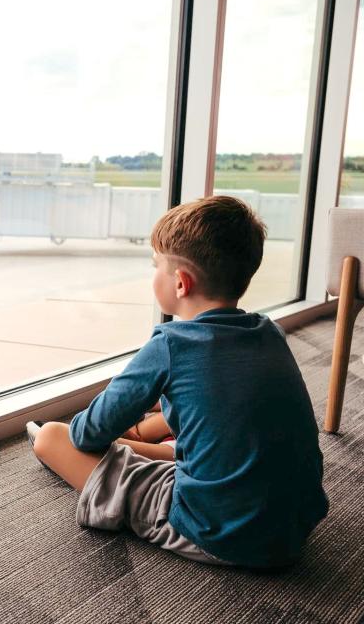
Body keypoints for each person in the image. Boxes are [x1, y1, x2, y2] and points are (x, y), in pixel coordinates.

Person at [26, 195, 328, 568]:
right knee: (196, 442)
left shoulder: (170, 344)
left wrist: (118, 422)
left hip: (223, 533)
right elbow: (225, 405)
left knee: (52, 437)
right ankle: (136, 449)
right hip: (295, 524)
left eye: (156, 266)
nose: (153, 274)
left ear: (181, 283)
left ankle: (126, 453)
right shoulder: (269, 332)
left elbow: (87, 434)